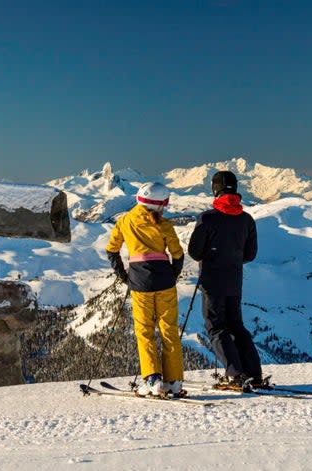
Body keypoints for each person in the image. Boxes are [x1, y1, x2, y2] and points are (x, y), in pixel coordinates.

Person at [106, 182, 185, 397]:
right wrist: (172, 275)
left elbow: (111, 250)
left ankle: (153, 379)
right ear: (160, 204)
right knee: (169, 330)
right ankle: (174, 381)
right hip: (165, 280)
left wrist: (124, 276)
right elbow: (177, 254)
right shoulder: (165, 225)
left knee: (144, 331)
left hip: (140, 281)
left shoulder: (125, 221)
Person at [187, 170, 263, 389]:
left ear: (215, 189)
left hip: (212, 281)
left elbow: (194, 251)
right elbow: (250, 255)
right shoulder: (246, 219)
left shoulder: (208, 218)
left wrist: (212, 254)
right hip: (235, 281)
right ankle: (254, 374)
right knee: (237, 326)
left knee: (216, 328)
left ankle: (235, 374)